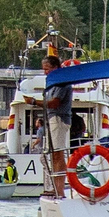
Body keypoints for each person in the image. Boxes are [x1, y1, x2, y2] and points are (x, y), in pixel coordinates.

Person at [41, 55, 71, 197]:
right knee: (54, 155)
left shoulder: (62, 83)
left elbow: (54, 103)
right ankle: (56, 187)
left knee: (58, 154)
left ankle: (60, 190)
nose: (45, 72)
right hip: (52, 119)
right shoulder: (53, 83)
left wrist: (35, 102)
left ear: (55, 67)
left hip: (59, 119)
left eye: (47, 69)